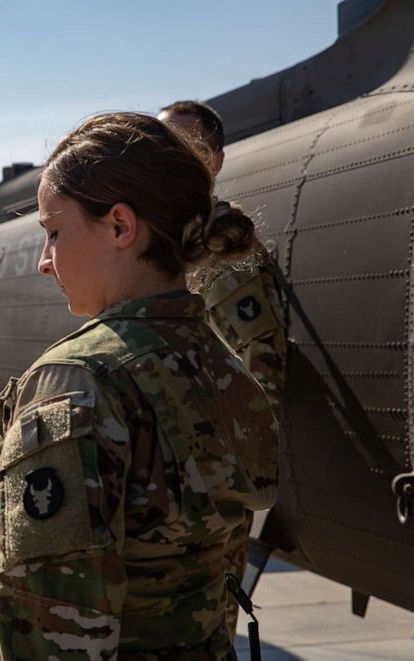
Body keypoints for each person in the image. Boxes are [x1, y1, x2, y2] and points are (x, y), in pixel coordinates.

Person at [0, 112, 278, 660]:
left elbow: (57, 626)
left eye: (54, 232)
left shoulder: (77, 378)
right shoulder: (221, 364)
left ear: (121, 227)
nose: (44, 261)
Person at [159, 100, 288, 640]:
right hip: (162, 477)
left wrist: (210, 482)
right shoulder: (168, 239)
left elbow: (262, 377)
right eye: (161, 144)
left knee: (199, 634)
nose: (169, 158)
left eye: (186, 147)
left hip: (204, 492)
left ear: (215, 161)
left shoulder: (222, 248)